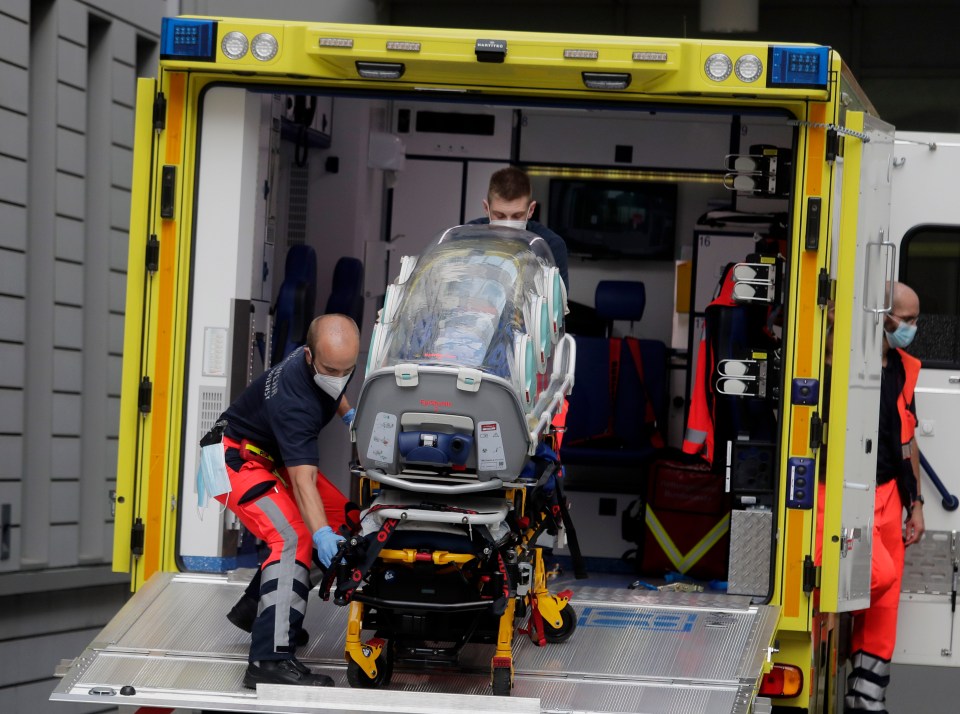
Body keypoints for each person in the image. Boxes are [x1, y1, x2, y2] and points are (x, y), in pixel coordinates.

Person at [205, 313, 360, 688]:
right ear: (309, 356)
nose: (338, 377)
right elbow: (303, 480)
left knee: (351, 528)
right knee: (295, 539)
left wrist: (349, 415)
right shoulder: (296, 405)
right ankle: (268, 662)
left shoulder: (321, 358)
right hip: (234, 460)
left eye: (347, 369)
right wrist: (319, 532)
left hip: (266, 457)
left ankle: (253, 610)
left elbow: (334, 388)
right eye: (330, 369)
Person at [845, 281, 925, 714]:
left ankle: (868, 697)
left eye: (915, 320)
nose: (912, 328)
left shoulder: (905, 368)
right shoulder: (843, 361)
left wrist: (917, 504)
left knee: (887, 600)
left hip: (890, 494)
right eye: (907, 320)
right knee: (878, 577)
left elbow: (909, 442)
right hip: (848, 493)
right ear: (883, 315)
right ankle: (846, 651)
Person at [469, 166, 570, 291]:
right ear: (486, 208)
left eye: (517, 216)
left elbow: (556, 306)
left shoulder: (550, 245)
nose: (508, 224)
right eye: (499, 216)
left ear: (531, 210)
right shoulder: (469, 236)